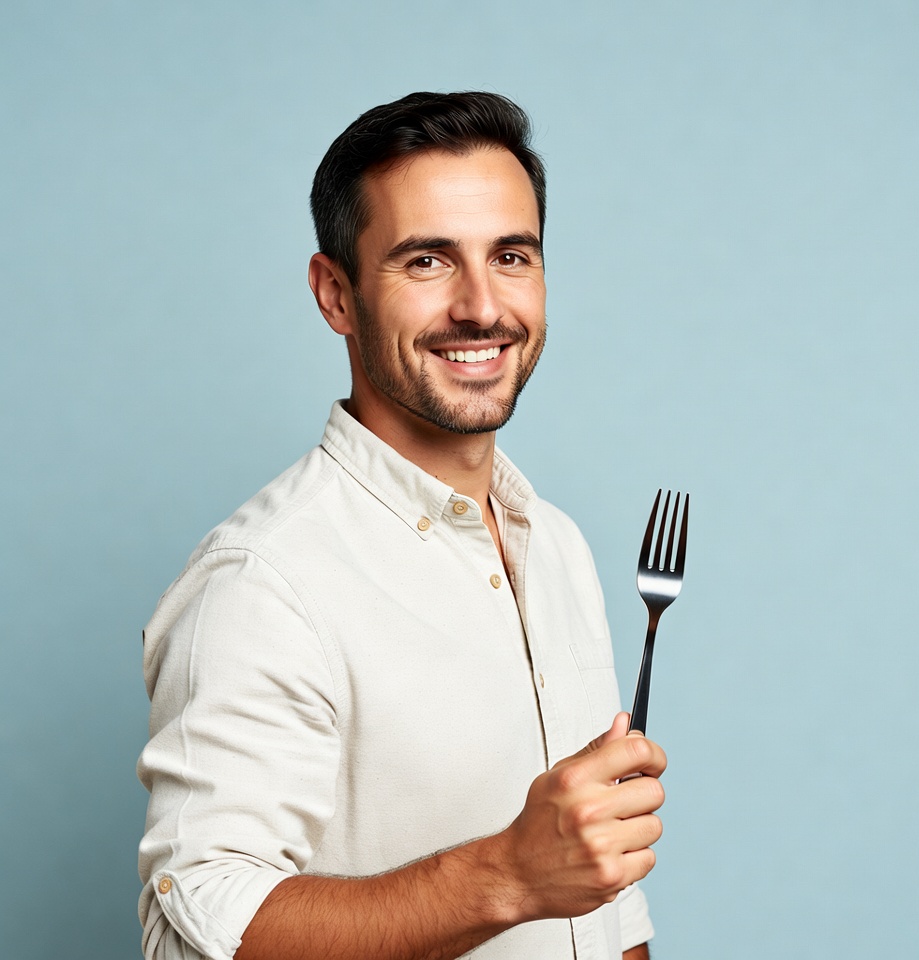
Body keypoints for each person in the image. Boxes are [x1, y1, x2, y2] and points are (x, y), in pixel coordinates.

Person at [138, 91, 667, 960]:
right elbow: (196, 923)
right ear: (336, 295)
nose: (481, 306)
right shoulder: (262, 582)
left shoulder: (556, 543)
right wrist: (509, 875)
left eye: (511, 255)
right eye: (427, 260)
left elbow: (601, 906)